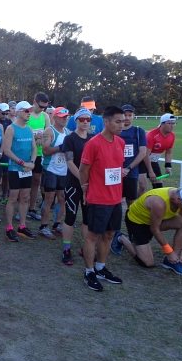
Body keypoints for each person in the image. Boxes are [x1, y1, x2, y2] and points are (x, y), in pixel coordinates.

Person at [80, 105, 125, 292]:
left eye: (123, 121)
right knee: (93, 236)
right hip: (98, 199)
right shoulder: (93, 144)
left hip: (115, 198)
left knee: (110, 234)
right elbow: (84, 170)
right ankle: (89, 271)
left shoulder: (120, 143)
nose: (122, 125)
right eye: (118, 121)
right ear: (106, 122)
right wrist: (86, 188)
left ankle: (100, 267)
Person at [111, 186, 182, 276]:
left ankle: (172, 261)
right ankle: (120, 237)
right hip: (137, 223)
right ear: (179, 199)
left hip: (156, 220)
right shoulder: (159, 202)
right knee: (147, 263)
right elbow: (154, 229)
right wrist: (169, 251)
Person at [1, 101, 38, 242]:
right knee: (13, 198)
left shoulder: (29, 129)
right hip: (15, 168)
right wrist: (23, 163)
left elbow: (34, 148)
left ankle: (22, 226)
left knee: (24, 197)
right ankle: (9, 228)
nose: (29, 113)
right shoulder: (11, 128)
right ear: (18, 112)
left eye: (30, 110)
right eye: (26, 110)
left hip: (27, 169)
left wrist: (32, 163)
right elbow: (7, 150)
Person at [62, 108, 94, 265]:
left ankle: (85, 247)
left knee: (88, 219)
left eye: (88, 119)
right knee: (70, 217)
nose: (86, 122)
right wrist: (82, 181)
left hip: (90, 186)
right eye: (82, 119)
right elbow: (69, 162)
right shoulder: (70, 139)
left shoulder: (93, 138)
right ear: (76, 120)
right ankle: (66, 249)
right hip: (74, 184)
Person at [40, 106, 70, 239]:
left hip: (64, 170)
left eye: (67, 117)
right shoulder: (49, 131)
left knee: (62, 198)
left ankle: (57, 224)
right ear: (56, 117)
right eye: (62, 117)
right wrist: (60, 148)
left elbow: (70, 153)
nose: (65, 120)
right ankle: (43, 226)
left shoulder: (68, 132)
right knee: (49, 199)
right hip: (51, 169)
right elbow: (45, 150)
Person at [27, 92, 51, 222]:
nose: (43, 109)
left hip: (40, 153)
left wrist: (44, 138)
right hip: (26, 154)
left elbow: (48, 132)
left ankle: (31, 209)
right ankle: (22, 209)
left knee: (36, 180)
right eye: (41, 106)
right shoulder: (27, 114)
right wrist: (33, 138)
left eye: (45, 107)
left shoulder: (45, 116)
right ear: (34, 102)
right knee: (24, 183)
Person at [119, 105, 147, 207]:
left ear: (133, 116)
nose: (127, 118)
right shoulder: (115, 131)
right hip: (115, 171)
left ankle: (131, 221)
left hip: (131, 172)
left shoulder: (139, 131)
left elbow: (143, 152)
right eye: (124, 115)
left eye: (129, 115)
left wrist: (128, 168)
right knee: (116, 200)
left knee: (131, 201)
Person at [142, 113, 176, 191]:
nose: (172, 126)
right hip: (141, 162)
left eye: (174, 123)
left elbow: (168, 152)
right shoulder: (151, 135)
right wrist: (150, 171)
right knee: (143, 186)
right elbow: (146, 155)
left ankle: (154, 202)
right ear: (162, 124)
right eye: (169, 123)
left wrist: (168, 167)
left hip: (153, 161)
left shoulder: (172, 136)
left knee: (158, 187)